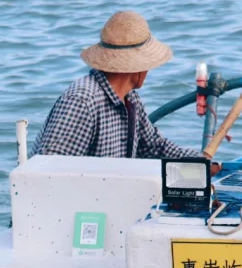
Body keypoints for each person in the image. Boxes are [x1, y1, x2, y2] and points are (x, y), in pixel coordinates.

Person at [34, 10, 204, 160]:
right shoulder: (82, 101)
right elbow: (49, 168)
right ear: (137, 66)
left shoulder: (130, 98)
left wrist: (200, 162)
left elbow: (153, 147)